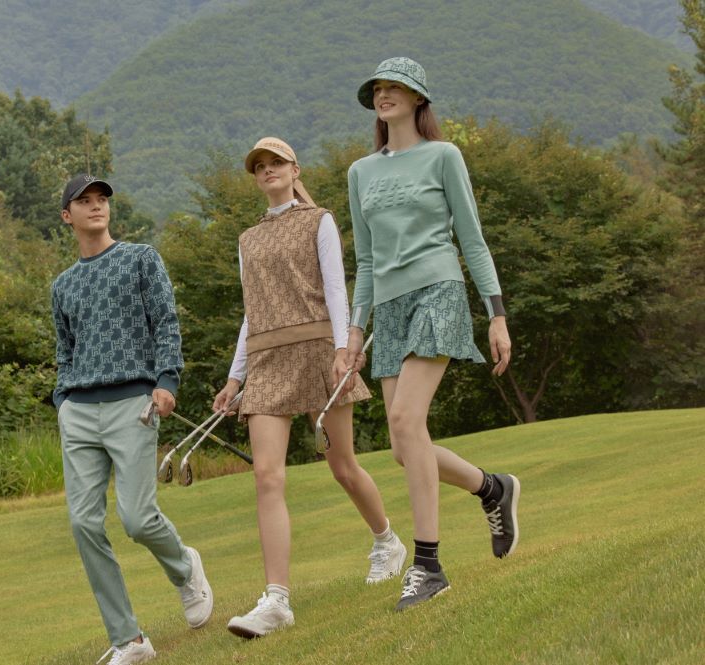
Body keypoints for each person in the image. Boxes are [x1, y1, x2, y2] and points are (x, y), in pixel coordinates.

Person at [212, 138, 407, 639]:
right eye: (259, 166)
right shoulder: (247, 240)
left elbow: (337, 289)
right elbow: (251, 312)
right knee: (266, 477)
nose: (268, 170)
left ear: (295, 169)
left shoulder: (319, 221)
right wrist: (235, 377)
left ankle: (387, 541)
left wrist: (344, 349)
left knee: (342, 466)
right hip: (266, 360)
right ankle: (276, 600)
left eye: (276, 162)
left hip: (320, 352)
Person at [345, 57, 520, 611]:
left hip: (438, 291)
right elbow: (366, 262)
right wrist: (354, 331)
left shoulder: (444, 156)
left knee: (405, 420)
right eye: (378, 88)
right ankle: (492, 488)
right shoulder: (360, 173)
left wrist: (496, 314)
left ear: (418, 98)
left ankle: (428, 566)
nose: (384, 94)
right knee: (403, 448)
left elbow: (472, 238)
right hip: (390, 308)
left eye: (395, 87)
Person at [52, 174, 212, 664]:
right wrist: (63, 400)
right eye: (84, 201)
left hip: (134, 405)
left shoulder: (141, 259)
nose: (96, 206)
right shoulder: (62, 285)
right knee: (83, 524)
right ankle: (130, 640)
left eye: (101, 199)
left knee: (138, 519)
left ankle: (184, 568)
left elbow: (166, 322)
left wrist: (167, 380)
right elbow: (64, 350)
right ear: (67, 216)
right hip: (79, 411)